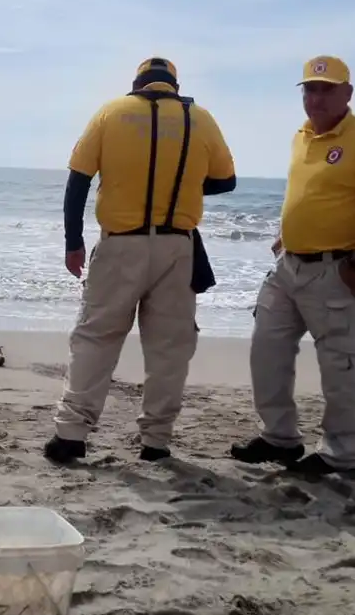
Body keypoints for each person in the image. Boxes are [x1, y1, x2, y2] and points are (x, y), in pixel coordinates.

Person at [44, 57, 237, 464]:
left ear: (138, 84)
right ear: (173, 85)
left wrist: (73, 242)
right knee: (169, 348)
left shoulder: (112, 113)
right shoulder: (199, 118)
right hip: (177, 249)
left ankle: (71, 435)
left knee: (96, 338)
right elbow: (226, 180)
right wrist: (181, 182)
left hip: (120, 246)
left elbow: (78, 180)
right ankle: (156, 442)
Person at [233, 55, 355, 477]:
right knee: (267, 350)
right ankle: (280, 438)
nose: (315, 98)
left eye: (326, 89)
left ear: (347, 94)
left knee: (341, 365)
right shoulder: (302, 136)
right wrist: (288, 235)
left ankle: (338, 455)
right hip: (288, 268)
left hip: (336, 271)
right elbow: (313, 194)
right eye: (309, 89)